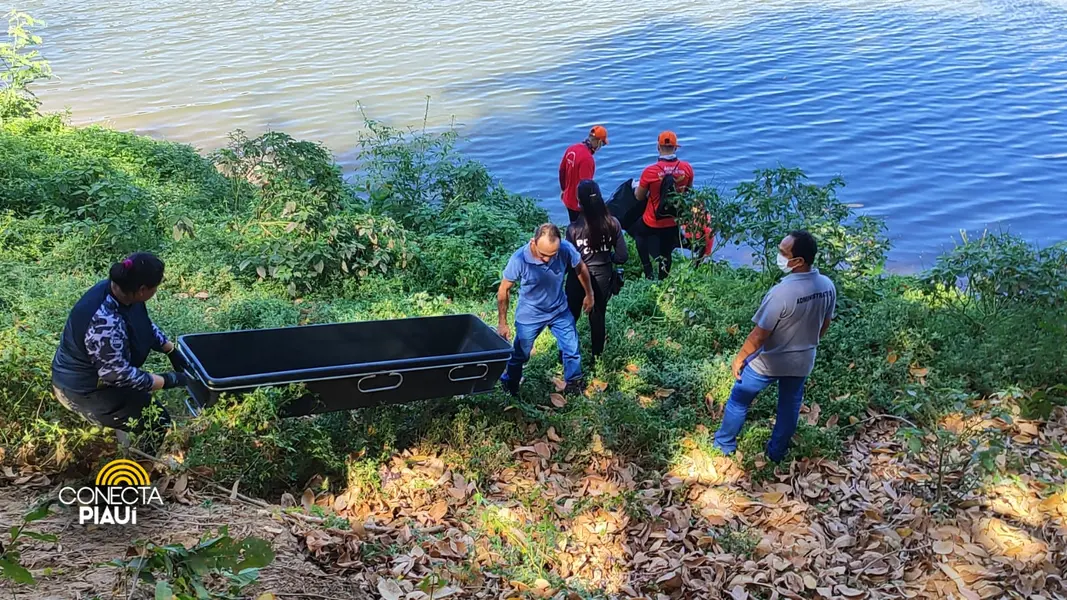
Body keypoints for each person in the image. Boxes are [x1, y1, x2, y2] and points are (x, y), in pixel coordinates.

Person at [712, 231, 837, 462]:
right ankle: (776, 454)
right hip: (803, 361)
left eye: (783, 252)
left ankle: (723, 444)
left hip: (768, 362)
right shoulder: (827, 286)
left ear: (798, 261)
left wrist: (740, 358)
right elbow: (824, 325)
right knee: (789, 407)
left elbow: (759, 335)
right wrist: (806, 343)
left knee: (739, 398)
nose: (778, 255)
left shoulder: (781, 293)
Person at [51, 252, 188, 454]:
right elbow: (117, 375)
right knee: (158, 421)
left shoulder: (123, 292)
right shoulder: (103, 322)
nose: (156, 291)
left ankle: (125, 444)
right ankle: (135, 472)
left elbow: (143, 325)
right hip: (83, 390)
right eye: (155, 288)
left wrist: (170, 349)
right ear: (142, 290)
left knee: (141, 403)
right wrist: (169, 380)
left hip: (102, 378)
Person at [498, 224, 595, 396]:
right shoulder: (519, 259)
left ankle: (574, 384)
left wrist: (589, 293)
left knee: (571, 348)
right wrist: (502, 323)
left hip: (559, 310)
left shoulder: (565, 248)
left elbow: (580, 267)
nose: (547, 260)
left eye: (552, 255)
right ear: (533, 243)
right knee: (520, 354)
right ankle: (510, 383)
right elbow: (504, 289)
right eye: (543, 255)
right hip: (530, 315)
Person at [565, 179, 628, 364]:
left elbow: (568, 261)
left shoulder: (573, 229)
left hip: (577, 278)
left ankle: (566, 356)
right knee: (598, 317)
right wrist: (608, 258)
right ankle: (597, 358)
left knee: (571, 317)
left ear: (579, 201)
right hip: (603, 277)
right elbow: (622, 256)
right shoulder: (613, 224)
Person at [632, 131, 695, 279]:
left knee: (638, 233)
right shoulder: (687, 169)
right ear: (676, 148)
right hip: (673, 220)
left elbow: (639, 197)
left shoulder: (650, 171)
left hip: (652, 220)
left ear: (658, 147)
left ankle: (648, 270)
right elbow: (688, 192)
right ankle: (663, 278)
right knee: (666, 251)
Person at [559, 125, 608, 222]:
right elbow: (585, 187)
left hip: (568, 198)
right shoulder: (587, 159)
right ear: (598, 142)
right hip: (578, 205)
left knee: (573, 226)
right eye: (602, 144)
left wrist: (564, 189)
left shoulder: (572, 149)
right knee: (582, 232)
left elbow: (562, 171)